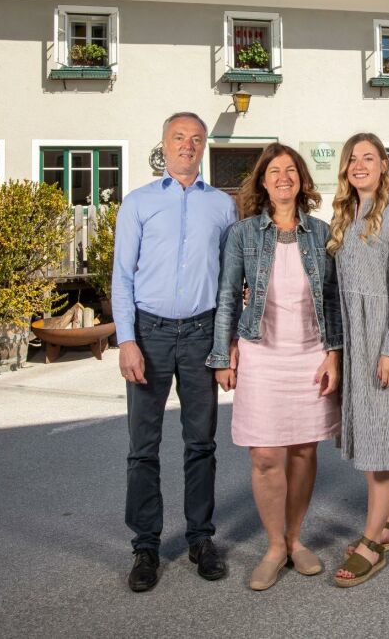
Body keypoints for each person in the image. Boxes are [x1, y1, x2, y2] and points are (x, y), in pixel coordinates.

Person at [112, 112, 237, 593]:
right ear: (163, 145)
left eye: (196, 139)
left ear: (204, 148)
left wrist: (227, 344)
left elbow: (230, 282)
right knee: (143, 448)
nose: (187, 145)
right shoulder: (138, 204)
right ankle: (145, 545)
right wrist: (126, 339)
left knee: (201, 444)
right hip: (150, 333)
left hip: (203, 334)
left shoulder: (221, 207)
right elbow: (122, 277)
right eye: (178, 138)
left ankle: (201, 539)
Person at [209, 143, 342, 591]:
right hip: (261, 355)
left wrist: (334, 353)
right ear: (262, 181)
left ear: (302, 180)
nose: (283, 177)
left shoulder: (322, 233)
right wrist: (222, 353)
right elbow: (228, 295)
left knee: (304, 451)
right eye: (274, 171)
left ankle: (295, 538)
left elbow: (333, 300)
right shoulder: (243, 234)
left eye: (291, 170)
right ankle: (273, 547)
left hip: (310, 354)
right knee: (266, 455)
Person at [328, 132, 389, 588]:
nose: (360, 164)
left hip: (382, 335)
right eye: (352, 159)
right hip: (353, 332)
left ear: (385, 164)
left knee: (382, 433)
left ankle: (372, 541)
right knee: (367, 431)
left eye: (368, 157)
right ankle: (385, 524)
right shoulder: (346, 214)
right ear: (345, 169)